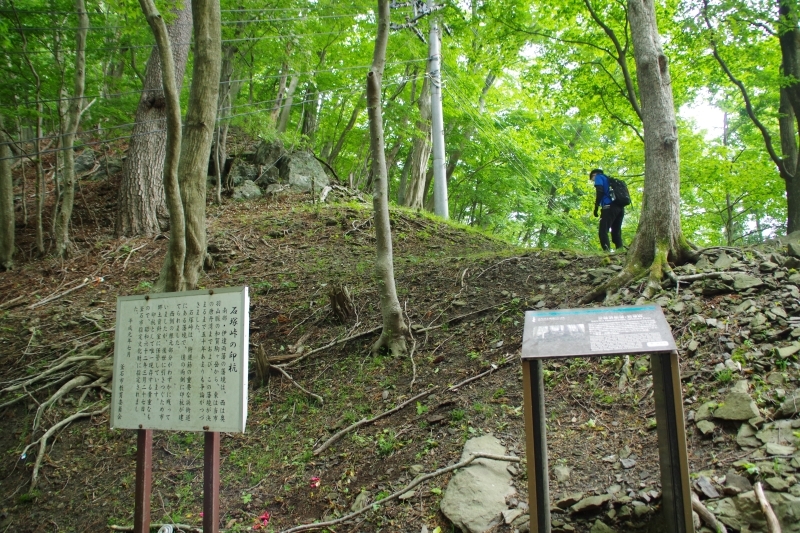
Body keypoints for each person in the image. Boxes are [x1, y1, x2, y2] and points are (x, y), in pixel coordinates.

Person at [590, 168, 624, 252]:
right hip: (620, 207)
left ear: (594, 175)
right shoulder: (609, 180)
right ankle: (620, 252)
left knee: (603, 231)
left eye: (592, 179)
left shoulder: (599, 177)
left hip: (608, 207)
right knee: (616, 231)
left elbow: (600, 191)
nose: (593, 181)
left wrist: (596, 206)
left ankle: (606, 252)